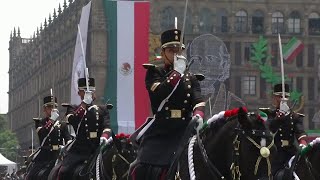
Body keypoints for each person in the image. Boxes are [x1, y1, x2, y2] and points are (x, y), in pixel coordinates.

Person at [128, 28, 205, 180]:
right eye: (171, 50)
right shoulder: (154, 73)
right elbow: (159, 94)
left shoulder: (191, 78)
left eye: (179, 50)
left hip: (184, 129)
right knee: (141, 168)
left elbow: (198, 100)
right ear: (163, 53)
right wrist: (176, 73)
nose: (176, 54)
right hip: (161, 130)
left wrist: (199, 115)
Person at [51, 77, 112, 179]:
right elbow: (73, 120)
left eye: (91, 91)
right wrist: (84, 104)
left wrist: (104, 137)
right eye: (85, 91)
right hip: (79, 150)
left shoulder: (102, 109)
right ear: (79, 93)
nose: (89, 94)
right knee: (64, 172)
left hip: (97, 148)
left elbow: (107, 127)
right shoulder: (73, 108)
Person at [260, 83, 307, 177]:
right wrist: (278, 118)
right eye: (280, 96)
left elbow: (299, 130)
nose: (283, 99)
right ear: (275, 97)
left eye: (285, 97)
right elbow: (269, 130)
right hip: (276, 153)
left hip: (292, 152)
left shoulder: (294, 116)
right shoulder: (269, 115)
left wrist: (302, 141)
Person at [24, 95, 72, 180]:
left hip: (58, 155)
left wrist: (67, 145)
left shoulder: (62, 124)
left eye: (54, 107)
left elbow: (68, 138)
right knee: (31, 176)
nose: (52, 110)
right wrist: (52, 120)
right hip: (44, 156)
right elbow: (42, 134)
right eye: (49, 107)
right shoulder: (40, 123)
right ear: (44, 110)